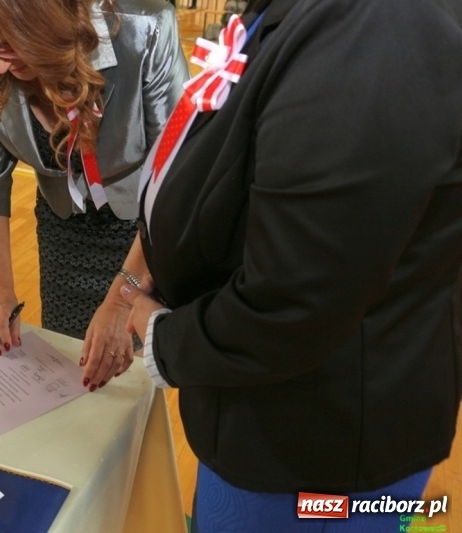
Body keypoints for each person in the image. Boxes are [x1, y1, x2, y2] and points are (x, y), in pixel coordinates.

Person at [117, 0, 462, 530]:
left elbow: (296, 303)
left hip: (318, 447)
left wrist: (163, 337)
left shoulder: (375, 26)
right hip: (267, 412)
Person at [0, 0, 190, 390]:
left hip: (149, 231)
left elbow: (175, 176)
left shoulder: (146, 28)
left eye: (6, 47)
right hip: (63, 228)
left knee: (128, 379)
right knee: (67, 369)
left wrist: (123, 299)